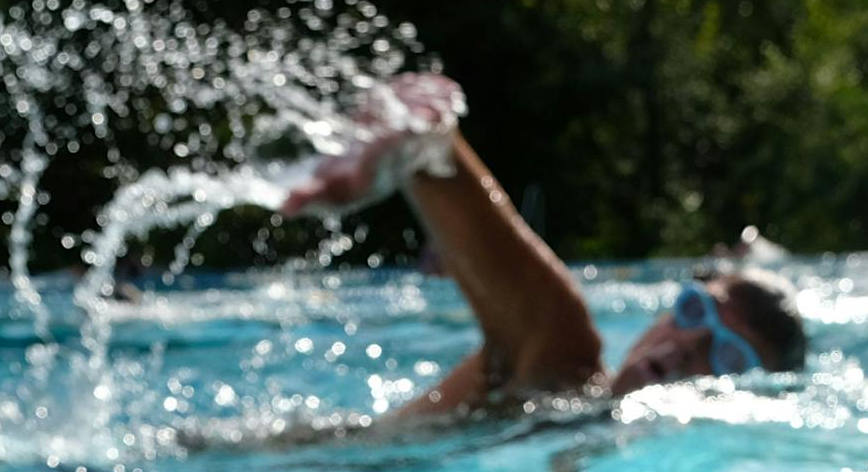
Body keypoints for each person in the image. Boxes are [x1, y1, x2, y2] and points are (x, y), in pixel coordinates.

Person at [283, 73, 806, 417]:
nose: (683, 349)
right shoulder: (561, 372)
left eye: (729, 356)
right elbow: (550, 321)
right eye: (694, 312)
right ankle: (419, 142)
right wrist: (419, 143)